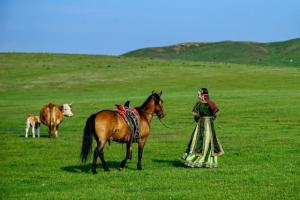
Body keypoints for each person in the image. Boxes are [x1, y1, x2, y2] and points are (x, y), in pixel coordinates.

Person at [182, 88, 224, 168]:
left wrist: (200, 119)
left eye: (199, 94)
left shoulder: (199, 104)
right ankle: (207, 161)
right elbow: (215, 114)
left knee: (200, 142)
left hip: (201, 125)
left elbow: (196, 116)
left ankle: (197, 161)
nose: (198, 96)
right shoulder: (211, 103)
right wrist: (210, 119)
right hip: (209, 125)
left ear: (203, 95)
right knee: (208, 142)